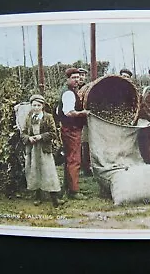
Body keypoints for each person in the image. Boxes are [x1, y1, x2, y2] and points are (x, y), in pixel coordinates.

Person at [21, 94, 64, 208]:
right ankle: (37, 196)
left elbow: (53, 133)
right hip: (33, 149)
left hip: (44, 149)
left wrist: (41, 137)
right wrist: (29, 138)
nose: (36, 108)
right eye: (34, 105)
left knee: (48, 171)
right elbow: (23, 132)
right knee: (34, 171)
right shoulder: (29, 117)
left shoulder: (48, 117)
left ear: (43, 106)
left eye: (38, 105)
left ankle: (54, 197)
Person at [57, 68, 89, 200]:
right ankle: (74, 191)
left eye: (78, 77)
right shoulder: (69, 94)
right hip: (71, 129)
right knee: (74, 160)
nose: (76, 80)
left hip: (71, 128)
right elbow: (69, 112)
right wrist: (84, 113)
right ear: (68, 79)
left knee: (70, 158)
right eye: (74, 78)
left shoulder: (71, 92)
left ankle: (69, 187)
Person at [77, 67, 92, 177]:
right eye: (79, 75)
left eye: (83, 75)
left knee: (85, 143)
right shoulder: (72, 88)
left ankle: (86, 167)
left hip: (84, 121)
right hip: (74, 120)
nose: (81, 77)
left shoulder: (88, 88)